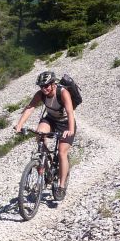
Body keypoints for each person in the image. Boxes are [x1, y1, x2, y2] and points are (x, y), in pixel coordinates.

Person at [14, 70, 76, 200]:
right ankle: (44, 162)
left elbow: (70, 112)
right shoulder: (40, 94)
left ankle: (61, 186)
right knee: (40, 136)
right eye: (41, 86)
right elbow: (30, 107)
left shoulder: (63, 92)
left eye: (46, 85)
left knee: (62, 152)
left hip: (65, 123)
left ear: (53, 84)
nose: (44, 89)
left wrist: (70, 129)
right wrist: (19, 124)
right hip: (51, 119)